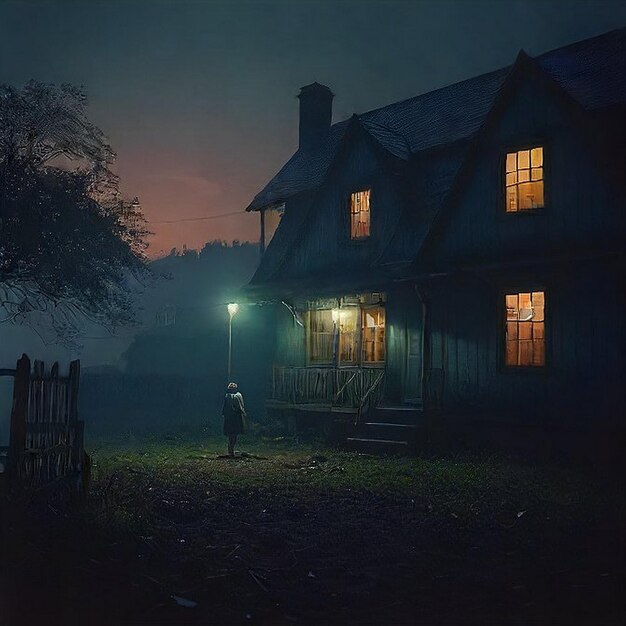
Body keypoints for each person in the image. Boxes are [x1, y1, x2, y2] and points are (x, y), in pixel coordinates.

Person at [222, 382, 246, 457]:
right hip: (234, 419)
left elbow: (224, 409)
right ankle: (231, 451)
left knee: (231, 435)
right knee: (233, 435)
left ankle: (231, 450)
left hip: (230, 418)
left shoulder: (229, 396)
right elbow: (239, 408)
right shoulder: (235, 396)